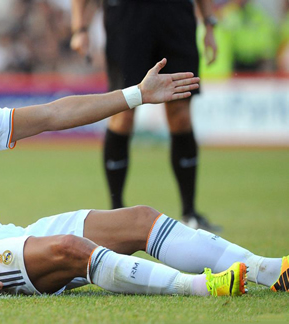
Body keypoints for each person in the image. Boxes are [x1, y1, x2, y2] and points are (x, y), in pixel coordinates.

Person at [0, 31, 288, 297]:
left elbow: (55, 113)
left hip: (4, 237)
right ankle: (204, 287)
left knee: (137, 219)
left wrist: (135, 94)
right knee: (71, 250)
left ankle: (269, 270)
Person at [70, 0, 220, 231]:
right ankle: (116, 212)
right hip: (127, 15)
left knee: (180, 112)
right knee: (123, 110)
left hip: (175, 15)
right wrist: (80, 28)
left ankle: (190, 213)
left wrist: (209, 24)